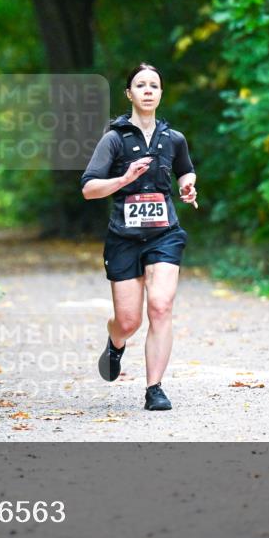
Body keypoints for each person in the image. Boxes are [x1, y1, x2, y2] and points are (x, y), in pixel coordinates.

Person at [81, 63, 198, 412]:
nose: (148, 90)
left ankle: (154, 388)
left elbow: (184, 169)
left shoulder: (173, 138)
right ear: (129, 94)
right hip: (124, 238)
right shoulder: (114, 139)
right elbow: (89, 188)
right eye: (140, 85)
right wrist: (124, 178)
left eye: (154, 85)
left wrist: (187, 185)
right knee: (129, 321)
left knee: (160, 306)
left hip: (165, 234)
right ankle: (116, 342)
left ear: (161, 94)